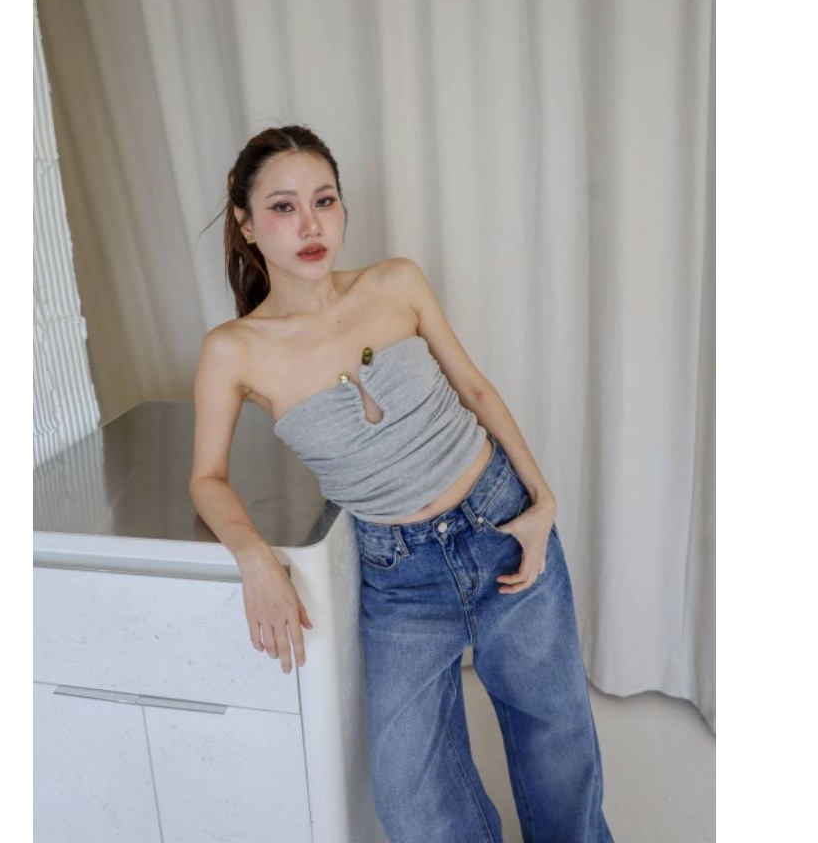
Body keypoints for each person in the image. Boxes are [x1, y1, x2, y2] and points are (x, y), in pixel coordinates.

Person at [189, 125, 614, 843]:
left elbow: (474, 389)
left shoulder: (395, 282)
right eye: (284, 207)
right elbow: (207, 478)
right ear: (246, 222)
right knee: (411, 797)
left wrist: (543, 501)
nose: (311, 225)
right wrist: (255, 559)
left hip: (500, 523)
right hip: (399, 576)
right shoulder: (234, 351)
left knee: (558, 743)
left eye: (324, 200)